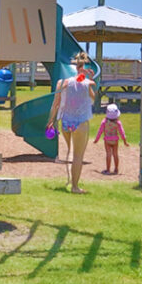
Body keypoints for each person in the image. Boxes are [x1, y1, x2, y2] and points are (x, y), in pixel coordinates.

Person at [46, 52, 95, 194]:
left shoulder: (62, 83)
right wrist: (91, 79)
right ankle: (75, 186)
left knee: (68, 153)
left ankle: (69, 181)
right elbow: (93, 99)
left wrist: (51, 120)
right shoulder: (87, 83)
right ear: (84, 67)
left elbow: (55, 104)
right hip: (81, 122)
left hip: (65, 121)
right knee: (78, 156)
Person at [93, 103, 128, 175]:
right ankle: (116, 169)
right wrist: (125, 141)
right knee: (115, 154)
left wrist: (96, 139)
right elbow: (122, 132)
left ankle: (108, 169)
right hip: (115, 140)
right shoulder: (118, 122)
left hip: (107, 140)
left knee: (108, 154)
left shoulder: (104, 122)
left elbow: (100, 131)